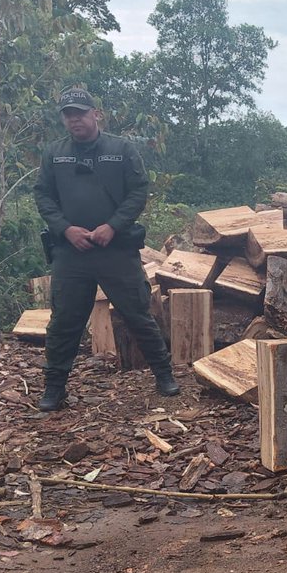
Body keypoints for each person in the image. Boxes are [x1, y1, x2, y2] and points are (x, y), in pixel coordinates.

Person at [33, 87, 179, 412]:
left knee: (138, 315)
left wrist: (113, 225)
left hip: (116, 250)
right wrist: (65, 229)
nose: (75, 120)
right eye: (68, 114)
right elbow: (43, 195)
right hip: (72, 254)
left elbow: (138, 191)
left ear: (95, 114)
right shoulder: (54, 154)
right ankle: (54, 389)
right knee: (63, 323)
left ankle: (164, 375)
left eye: (80, 113)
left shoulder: (121, 149)